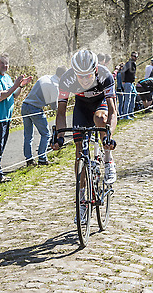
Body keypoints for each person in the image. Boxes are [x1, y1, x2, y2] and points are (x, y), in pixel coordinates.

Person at [54, 50, 117, 207]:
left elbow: (113, 111)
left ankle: (108, 159)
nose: (84, 80)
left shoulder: (105, 75)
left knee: (101, 118)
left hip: (100, 103)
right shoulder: (66, 79)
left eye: (88, 76)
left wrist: (109, 137)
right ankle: (81, 199)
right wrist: (59, 137)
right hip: (81, 107)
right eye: (79, 76)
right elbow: (61, 112)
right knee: (79, 149)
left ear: (95, 70)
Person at [0, 53, 32, 183]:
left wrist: (21, 85)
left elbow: (14, 95)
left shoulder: (7, 77)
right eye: (2, 63)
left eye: (7, 63)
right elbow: (0, 96)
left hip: (6, 119)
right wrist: (15, 85)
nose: (5, 66)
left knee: (1, 147)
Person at [21, 66, 66, 166]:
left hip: (25, 105)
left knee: (28, 135)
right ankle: (42, 158)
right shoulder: (55, 85)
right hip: (35, 108)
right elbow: (54, 106)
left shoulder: (45, 77)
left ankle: (29, 159)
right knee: (46, 134)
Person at [121, 51, 138, 120]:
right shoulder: (129, 63)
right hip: (127, 83)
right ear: (131, 56)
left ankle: (131, 113)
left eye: (136, 56)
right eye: (134, 56)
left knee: (134, 95)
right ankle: (125, 115)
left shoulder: (134, 64)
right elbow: (122, 71)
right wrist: (123, 81)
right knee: (127, 99)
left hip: (132, 83)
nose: (135, 57)